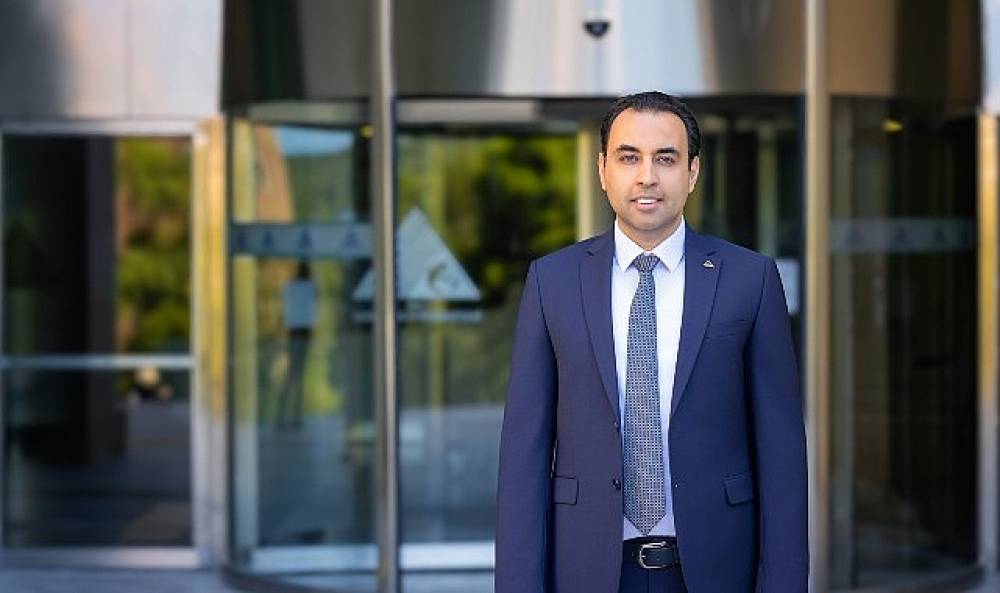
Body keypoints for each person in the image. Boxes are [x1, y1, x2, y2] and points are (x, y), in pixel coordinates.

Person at [495, 92, 807, 593]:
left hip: (717, 569)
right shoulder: (552, 282)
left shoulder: (750, 279)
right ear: (602, 170)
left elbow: (782, 455)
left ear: (692, 172)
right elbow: (523, 456)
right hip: (587, 570)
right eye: (629, 157)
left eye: (665, 158)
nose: (647, 176)